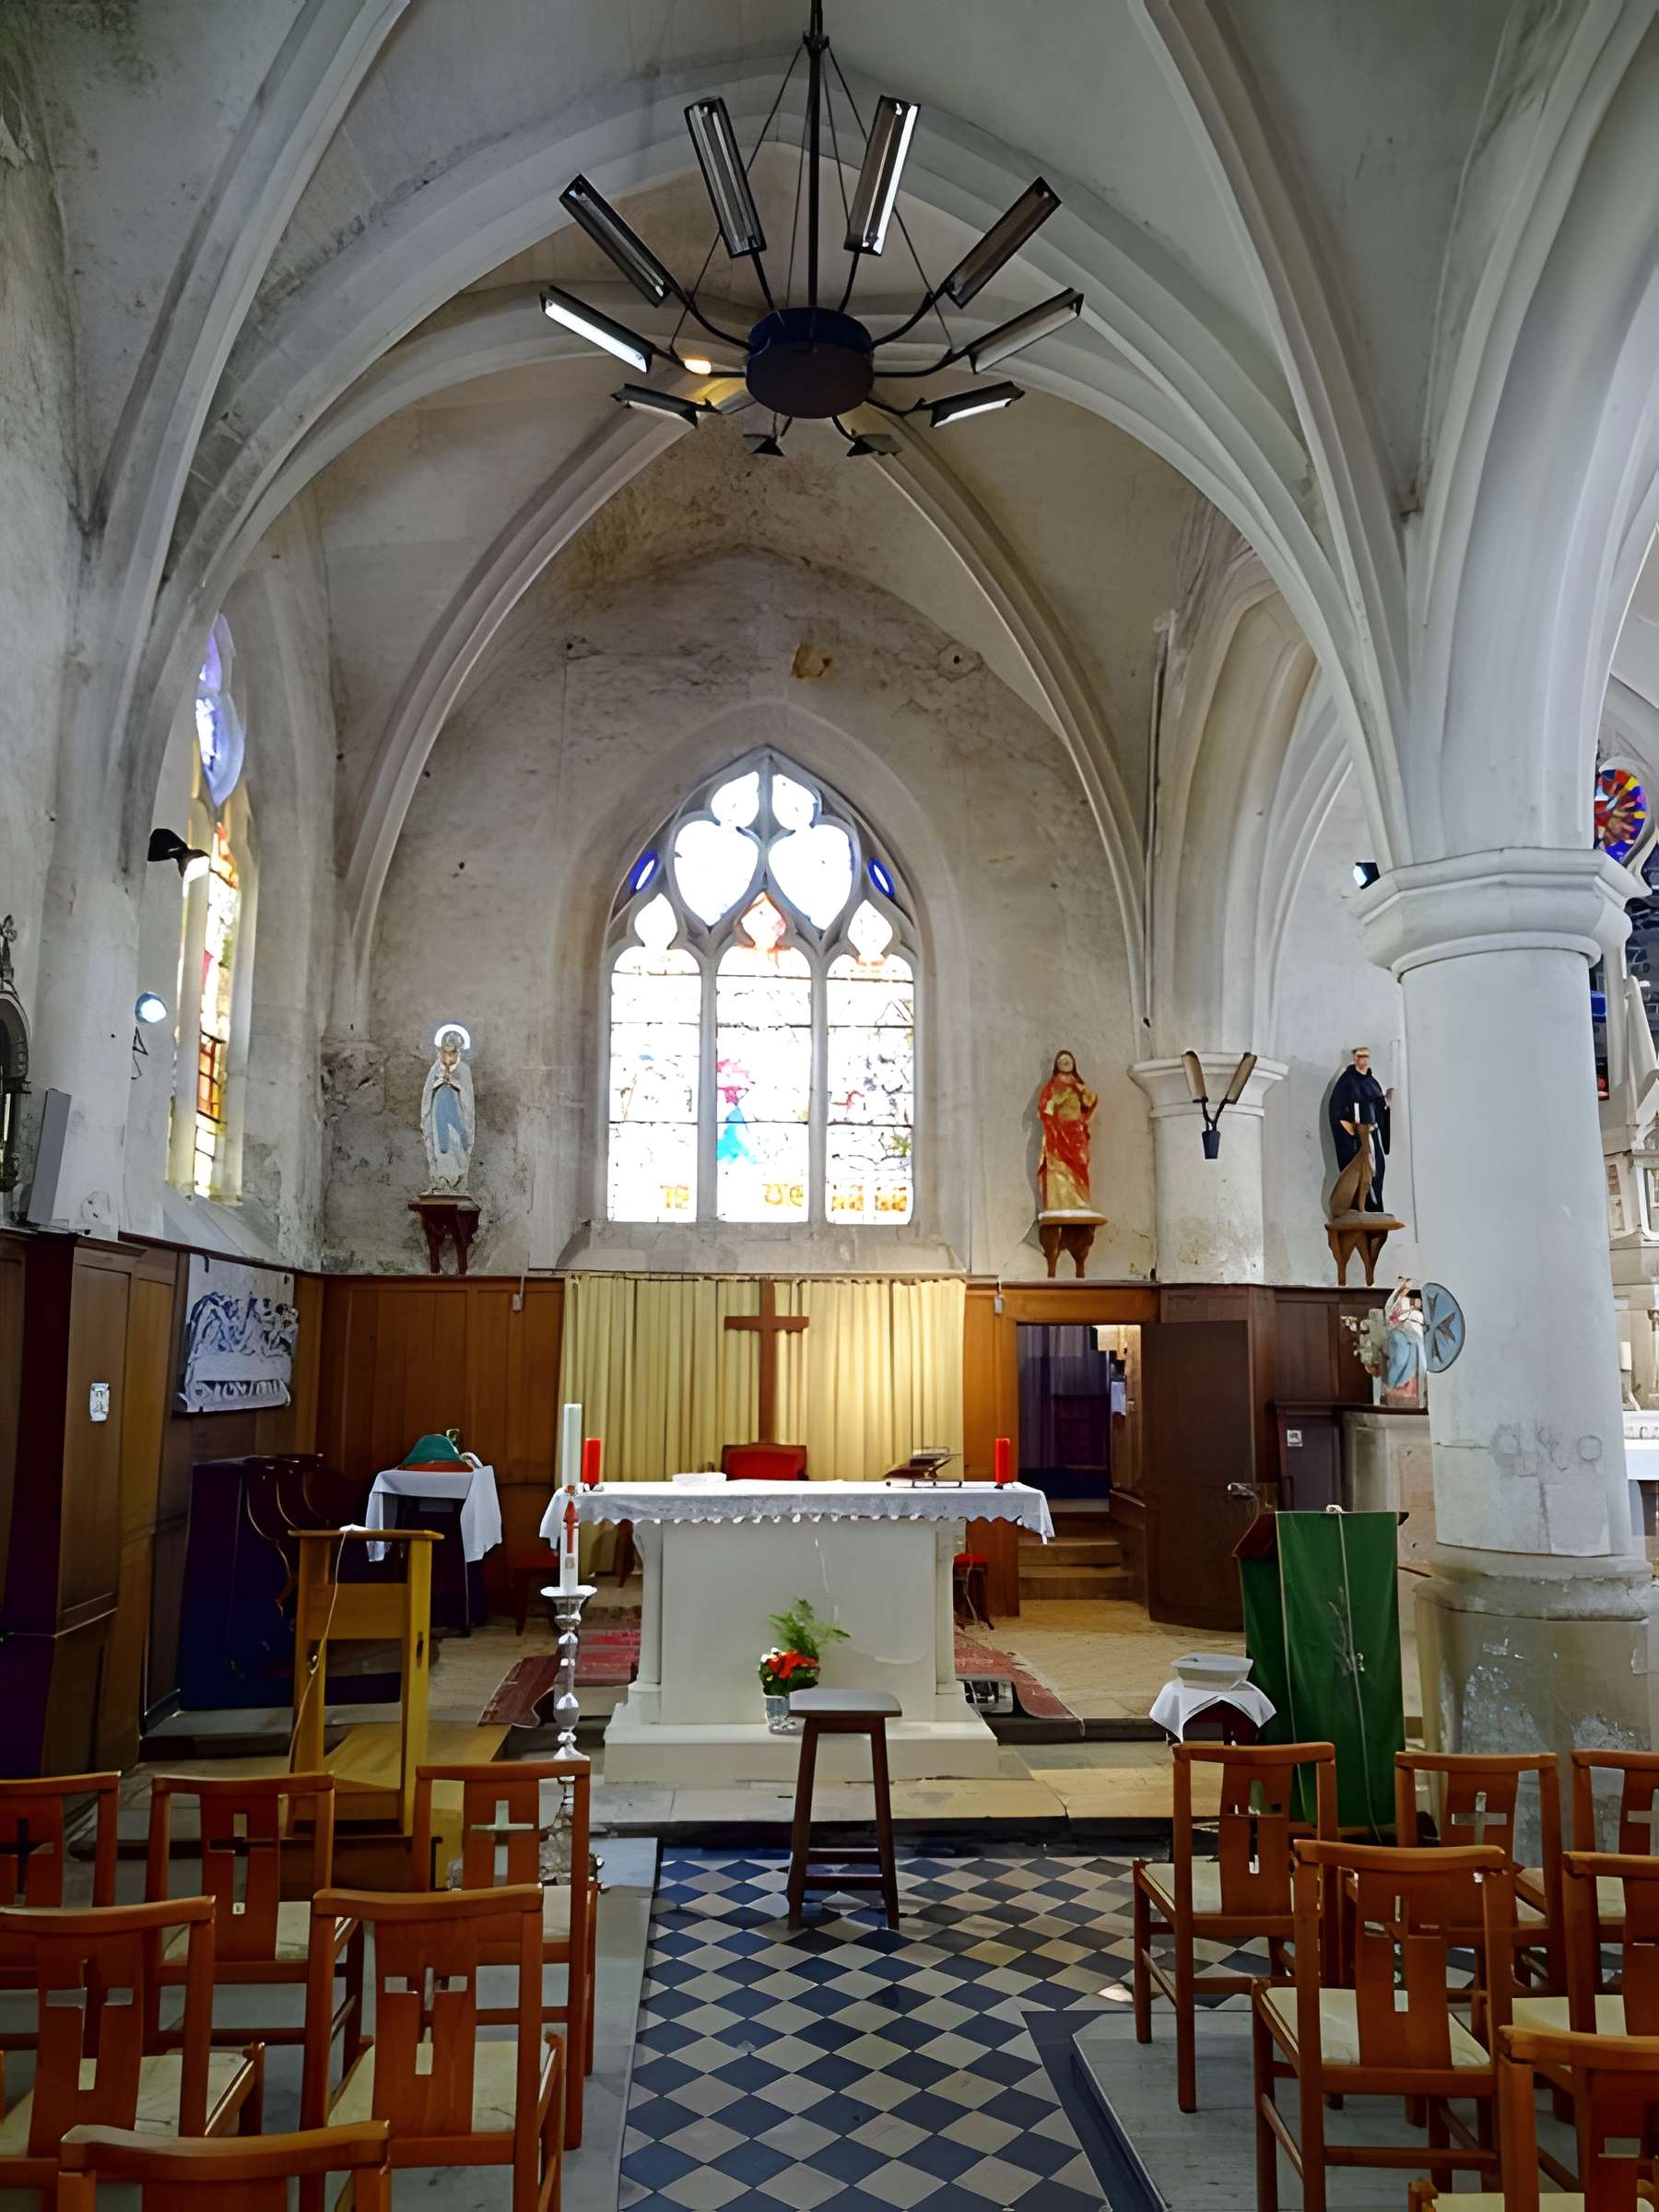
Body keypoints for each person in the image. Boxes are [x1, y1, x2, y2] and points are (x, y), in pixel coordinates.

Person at [1328, 1045, 1392, 1212]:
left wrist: (1386, 1102)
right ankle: (1358, 1207)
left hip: (1372, 1134)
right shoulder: (1347, 1082)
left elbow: (1379, 1107)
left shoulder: (1372, 1083)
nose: (1363, 1061)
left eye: (1366, 1057)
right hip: (1356, 1138)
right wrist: (1350, 1129)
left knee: (1377, 1169)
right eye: (1360, 1057)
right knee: (1360, 1172)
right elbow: (1337, 1109)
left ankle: (1375, 1207)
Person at [1037, 1050, 1098, 1214]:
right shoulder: (1052, 1085)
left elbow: (1088, 1103)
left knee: (1080, 1164)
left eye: (1068, 1059)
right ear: (1056, 1064)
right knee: (1059, 1167)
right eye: (1061, 1059)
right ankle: (1059, 1203)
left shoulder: (1078, 1084)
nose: (1065, 1061)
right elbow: (1044, 1108)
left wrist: (1085, 1094)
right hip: (1058, 1133)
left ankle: (1080, 1202)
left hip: (1076, 1132)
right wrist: (1057, 1100)